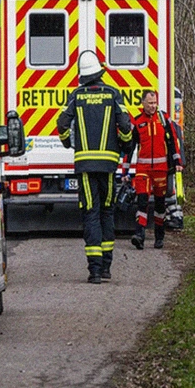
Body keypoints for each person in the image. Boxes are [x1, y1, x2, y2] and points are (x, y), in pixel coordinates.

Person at [57, 50, 133, 284]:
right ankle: (107, 267)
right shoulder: (113, 94)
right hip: (108, 165)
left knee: (91, 213)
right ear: (99, 73)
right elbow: (126, 126)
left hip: (85, 166)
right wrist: (125, 145)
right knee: (107, 212)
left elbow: (61, 123)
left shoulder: (76, 95)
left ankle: (95, 271)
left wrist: (67, 141)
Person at [123, 90, 184, 250]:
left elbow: (173, 142)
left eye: (154, 102)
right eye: (150, 103)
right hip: (143, 170)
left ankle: (159, 236)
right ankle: (139, 235)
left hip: (161, 169)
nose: (153, 106)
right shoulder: (137, 122)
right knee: (142, 202)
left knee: (159, 205)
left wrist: (177, 161)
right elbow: (129, 149)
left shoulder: (163, 120)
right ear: (143, 103)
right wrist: (125, 171)